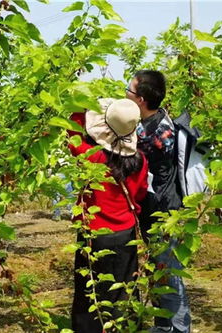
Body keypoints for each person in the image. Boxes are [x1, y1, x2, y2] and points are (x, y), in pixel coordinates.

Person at [68, 98, 148, 333]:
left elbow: (71, 135)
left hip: (95, 234)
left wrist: (81, 105)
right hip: (126, 233)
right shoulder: (140, 160)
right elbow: (141, 193)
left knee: (89, 292)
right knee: (124, 289)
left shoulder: (92, 157)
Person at [126, 70, 191, 333]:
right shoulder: (157, 120)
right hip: (156, 209)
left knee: (169, 272)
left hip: (165, 213)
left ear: (140, 99)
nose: (125, 94)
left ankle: (178, 328)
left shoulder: (154, 136)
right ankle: (163, 325)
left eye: (128, 90)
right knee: (158, 268)